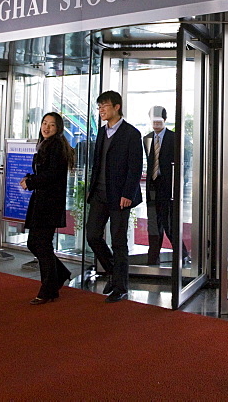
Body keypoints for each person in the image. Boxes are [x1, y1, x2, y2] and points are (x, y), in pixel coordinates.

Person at [86, 90, 143, 303]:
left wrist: (128, 194)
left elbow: (135, 168)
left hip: (120, 196)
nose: (101, 110)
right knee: (92, 235)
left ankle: (121, 286)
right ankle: (112, 271)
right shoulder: (102, 132)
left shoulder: (131, 133)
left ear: (117, 107)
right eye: (99, 106)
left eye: (105, 106)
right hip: (99, 194)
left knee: (119, 242)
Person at [20, 112, 75, 304]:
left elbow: (52, 175)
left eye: (52, 125)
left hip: (49, 203)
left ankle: (49, 289)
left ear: (58, 128)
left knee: (41, 244)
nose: (46, 127)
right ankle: (59, 274)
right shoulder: (46, 144)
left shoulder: (56, 146)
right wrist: (31, 178)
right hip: (42, 201)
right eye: (44, 123)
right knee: (35, 243)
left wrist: (31, 182)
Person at [142, 107, 190, 266]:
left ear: (164, 119)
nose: (155, 122)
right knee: (153, 225)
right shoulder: (147, 139)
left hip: (168, 189)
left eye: (158, 119)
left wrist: (179, 187)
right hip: (152, 188)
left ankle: (182, 254)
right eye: (153, 119)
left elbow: (184, 164)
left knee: (169, 225)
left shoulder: (174, 138)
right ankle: (152, 260)